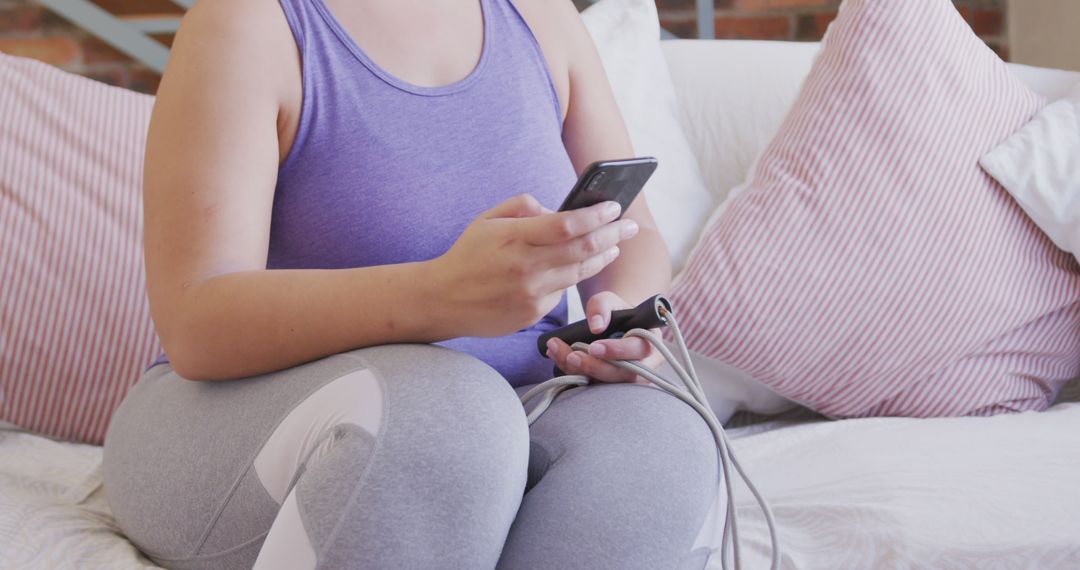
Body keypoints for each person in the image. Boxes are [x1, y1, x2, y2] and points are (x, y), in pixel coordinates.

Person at [102, 0, 730, 568]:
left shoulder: (540, 16)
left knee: (659, 444)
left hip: (521, 404)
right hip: (235, 421)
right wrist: (440, 296)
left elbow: (632, 231)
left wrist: (620, 316)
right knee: (446, 423)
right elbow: (197, 324)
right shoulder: (249, 24)